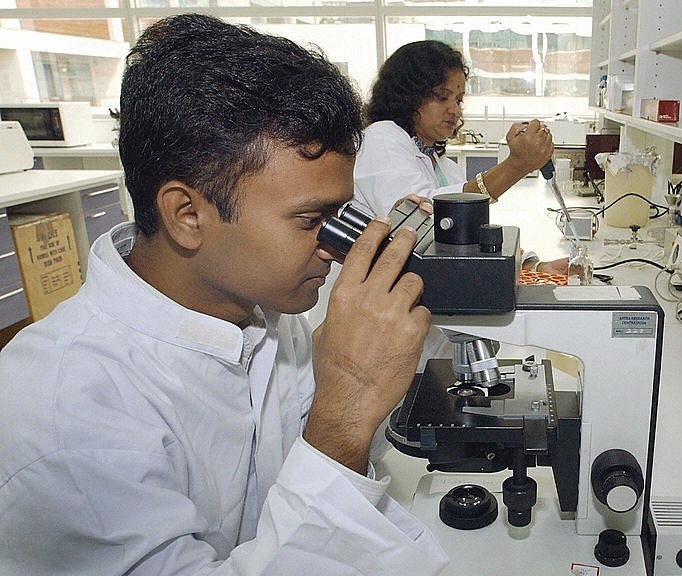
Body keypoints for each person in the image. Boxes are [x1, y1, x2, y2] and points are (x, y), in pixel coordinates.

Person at [0, 14, 448, 575]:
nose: (336, 246)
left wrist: (363, 370)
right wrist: (347, 406)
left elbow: (307, 478)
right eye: (313, 219)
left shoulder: (255, 307)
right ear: (188, 215)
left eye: (343, 213)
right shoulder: (66, 412)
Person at [349, 39, 566, 276]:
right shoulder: (380, 138)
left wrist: (531, 267)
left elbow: (469, 237)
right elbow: (421, 219)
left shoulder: (445, 167)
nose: (455, 110)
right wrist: (516, 165)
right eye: (442, 97)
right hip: (365, 300)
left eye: (458, 100)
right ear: (408, 95)